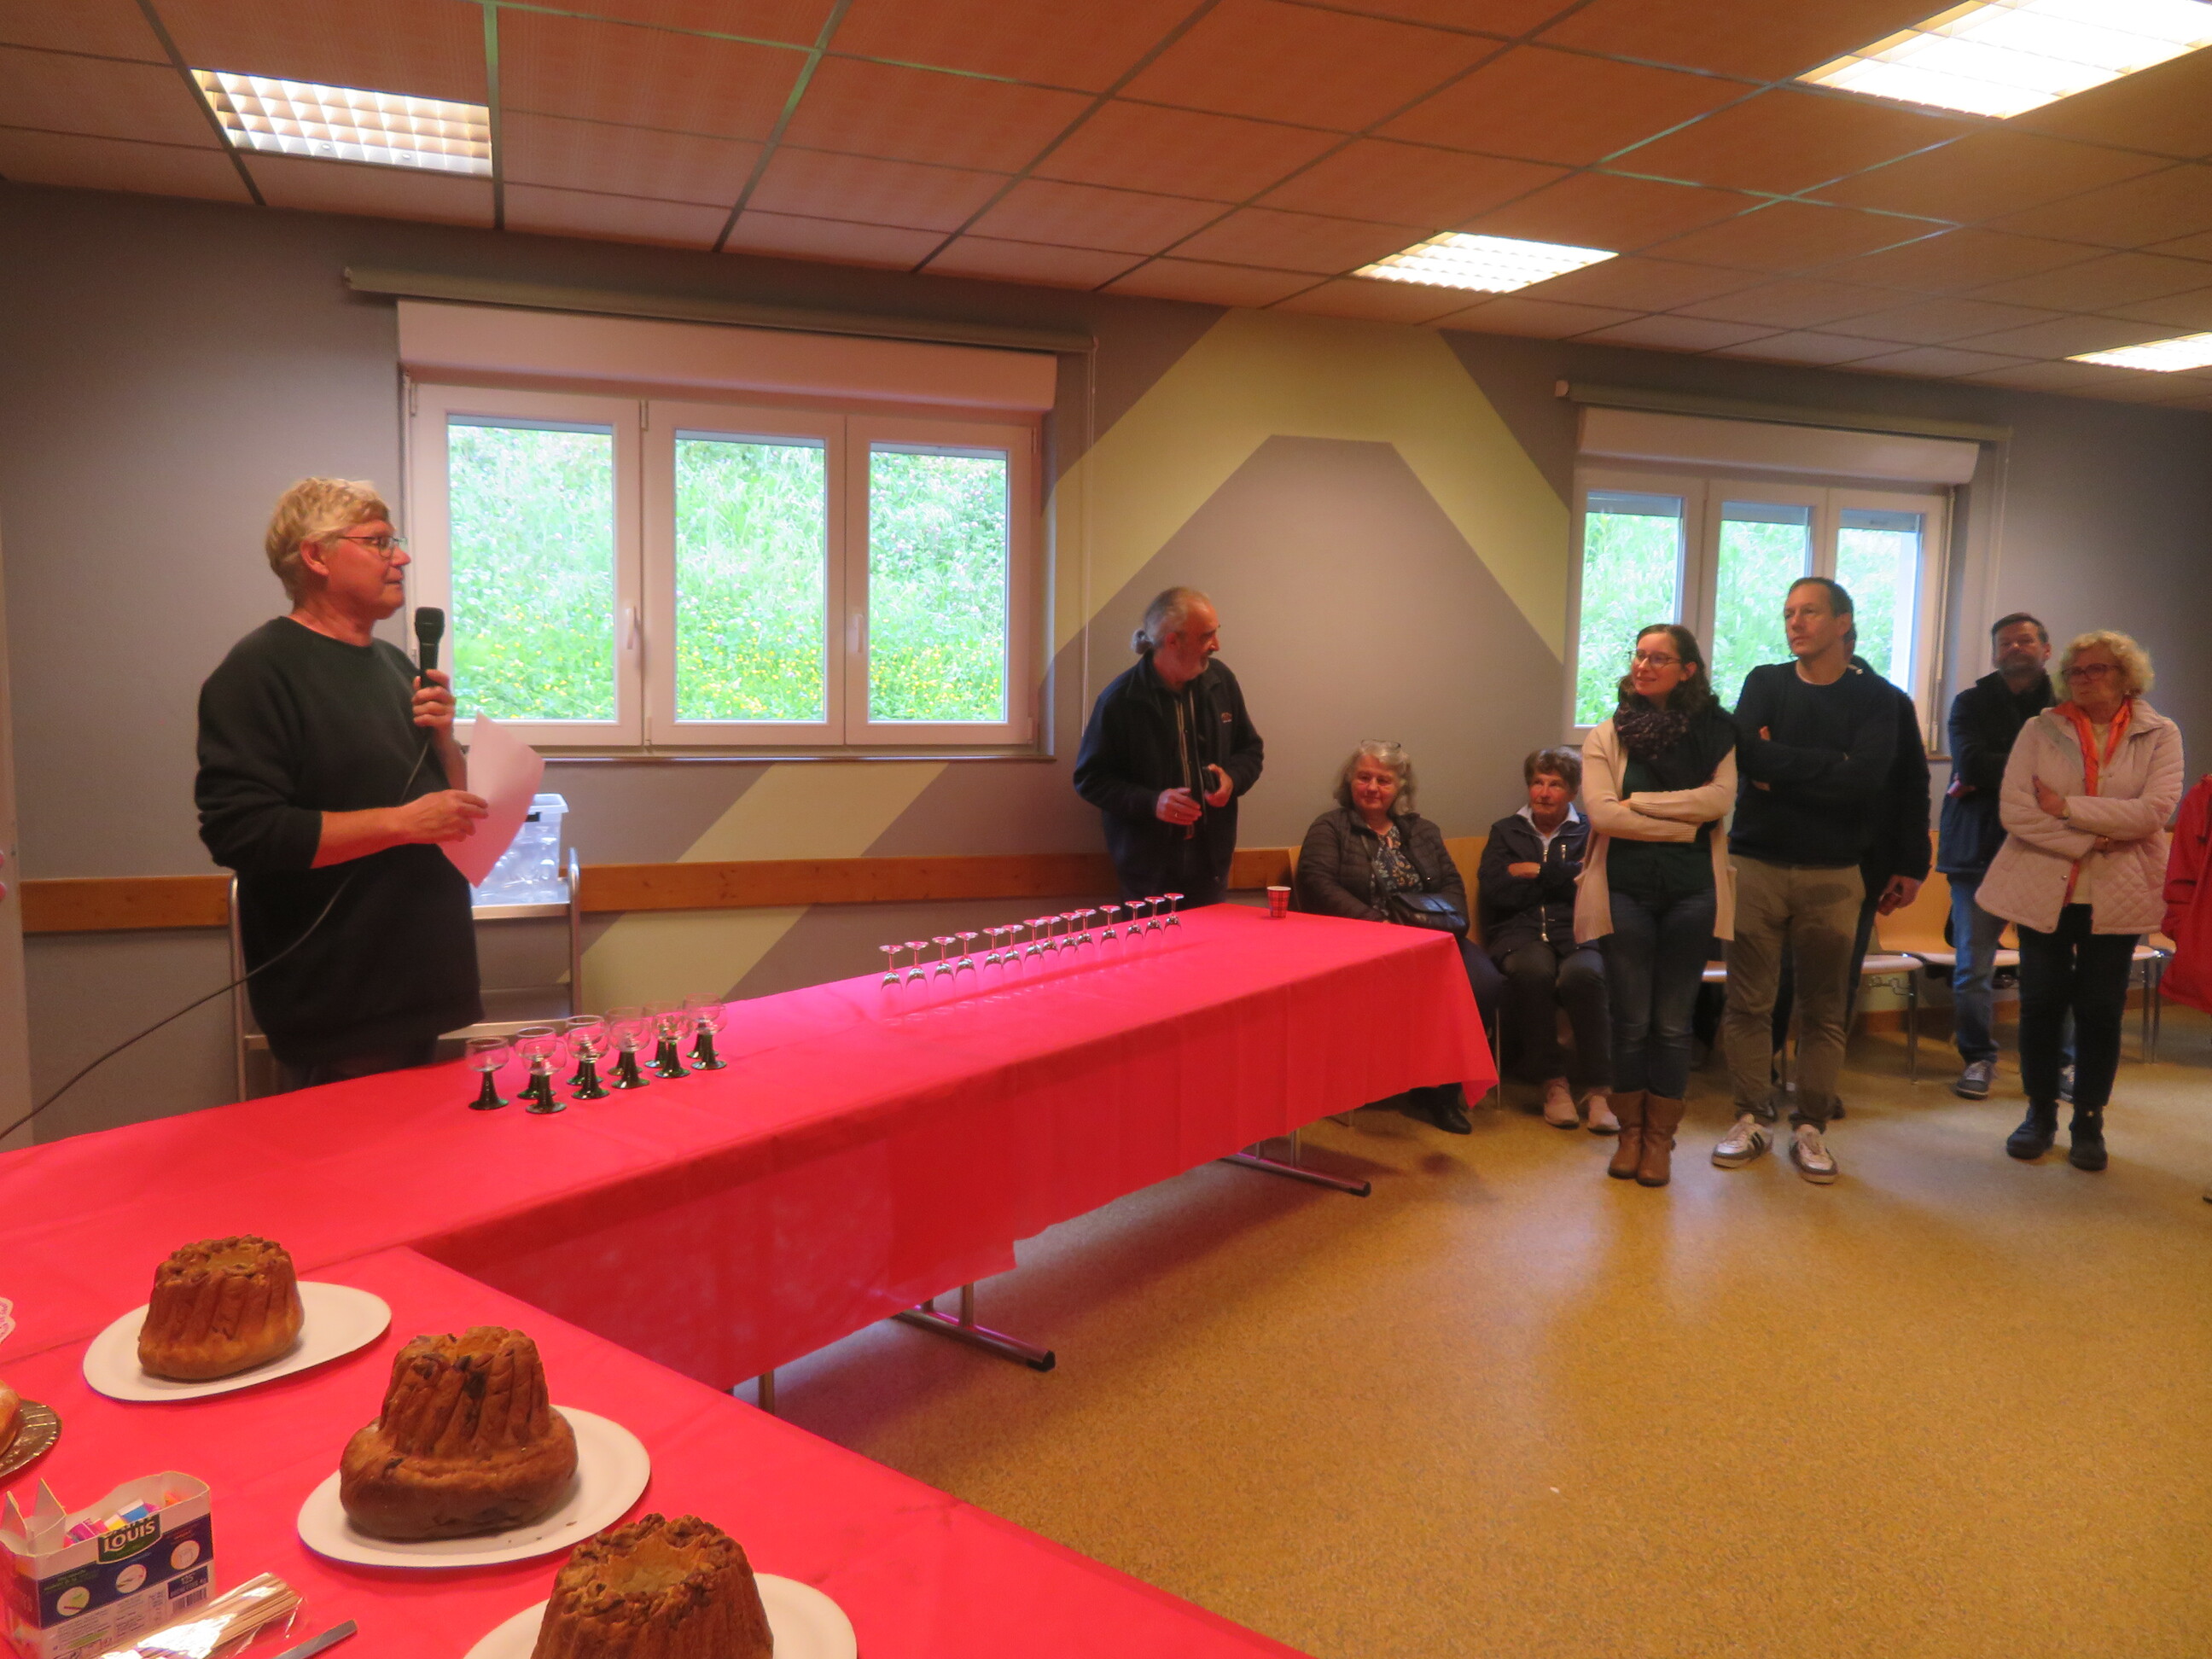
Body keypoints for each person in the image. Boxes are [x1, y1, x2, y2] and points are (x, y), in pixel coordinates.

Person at [196, 477, 487, 1090]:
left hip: (424, 988)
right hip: (342, 1007)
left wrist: (445, 742)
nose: (401, 558)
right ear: (317, 556)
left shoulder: (397, 666)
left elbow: (451, 806)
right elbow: (243, 832)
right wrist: (402, 823)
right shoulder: (259, 671)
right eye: (379, 542)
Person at [1714, 579, 1895, 1185]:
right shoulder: (1765, 683)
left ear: (1843, 622)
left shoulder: (1877, 699)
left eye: (1809, 612)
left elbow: (1866, 780)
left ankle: (1811, 1126)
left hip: (1835, 870)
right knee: (1748, 1002)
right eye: (1789, 612)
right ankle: (1750, 1116)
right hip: (1756, 862)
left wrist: (1783, 770)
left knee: (1824, 1008)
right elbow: (1749, 757)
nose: (1795, 622)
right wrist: (1829, 765)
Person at [1978, 632, 2182, 1171]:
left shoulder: (2160, 733)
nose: (2084, 679)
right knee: (2040, 1004)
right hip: (2044, 888)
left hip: (2120, 894)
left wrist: (2066, 807)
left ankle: (2088, 1119)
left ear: (2126, 676)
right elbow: (2017, 812)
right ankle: (2039, 1112)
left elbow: (2153, 813)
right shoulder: (2039, 729)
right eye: (2076, 671)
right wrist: (2098, 838)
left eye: (2098, 669)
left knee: (2101, 1009)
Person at [1578, 626, 1737, 1188]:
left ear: (1687, 670)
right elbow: (1603, 815)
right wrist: (1683, 823)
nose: (1643, 666)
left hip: (1693, 894)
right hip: (1623, 892)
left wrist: (1640, 803)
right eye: (1639, 655)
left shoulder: (1717, 731)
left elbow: (1719, 801)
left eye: (1659, 658)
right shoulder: (1607, 735)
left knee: (1671, 1025)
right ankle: (1629, 1133)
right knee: (1630, 1021)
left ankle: (1659, 1140)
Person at [1295, 741, 1498, 1134]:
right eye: (1364, 777)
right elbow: (1316, 883)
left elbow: (1451, 884)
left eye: (1383, 780)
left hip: (1431, 940)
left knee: (1483, 984)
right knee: (1417, 988)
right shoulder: (1330, 827)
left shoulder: (1423, 831)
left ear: (1401, 787)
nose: (1372, 787)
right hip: (1362, 941)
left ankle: (1441, 1090)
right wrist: (1380, 925)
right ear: (1349, 781)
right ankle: (1396, 1080)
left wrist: (1451, 927)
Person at [1766, 637, 1930, 1121]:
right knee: (1776, 977)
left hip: (1861, 862)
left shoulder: (1890, 702)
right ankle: (1762, 1076)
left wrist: (1911, 865)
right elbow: (1761, 767)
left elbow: (1912, 787)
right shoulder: (1779, 692)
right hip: (1780, 856)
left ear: (1847, 639)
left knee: (1837, 980)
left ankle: (1817, 1082)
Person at [1074, 587, 1264, 910]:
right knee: (1151, 945)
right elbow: (1090, 779)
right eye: (1207, 636)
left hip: (1211, 864)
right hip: (1147, 873)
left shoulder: (1221, 682)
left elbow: (1250, 750)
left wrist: (1232, 780)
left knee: (1211, 944)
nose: (1216, 645)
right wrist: (1153, 802)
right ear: (1173, 641)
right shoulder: (1120, 700)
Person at [1936, 614, 2058, 1100]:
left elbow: (2075, 773)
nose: (2014, 648)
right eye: (2005, 643)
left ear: (2046, 649)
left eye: (2024, 640)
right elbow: (1970, 764)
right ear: (1994, 654)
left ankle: (2059, 1062)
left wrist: (1996, 771)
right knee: (1974, 968)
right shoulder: (1970, 703)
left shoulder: (2066, 705)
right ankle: (1978, 1058)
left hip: (2046, 850)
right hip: (1977, 849)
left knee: (2051, 967)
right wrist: (2037, 774)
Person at [1479, 748, 1613, 1133]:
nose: (1544, 792)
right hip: (1519, 933)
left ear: (1572, 791)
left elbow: (1594, 886)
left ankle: (1600, 1089)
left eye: (1555, 784)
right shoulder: (1506, 831)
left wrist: (1534, 871)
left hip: (1579, 931)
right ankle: (1553, 1083)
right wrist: (1565, 876)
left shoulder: (1590, 830)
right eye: (1537, 782)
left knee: (1584, 975)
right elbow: (1496, 890)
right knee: (1532, 972)